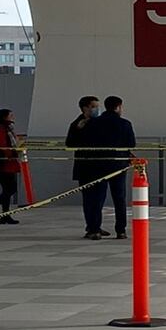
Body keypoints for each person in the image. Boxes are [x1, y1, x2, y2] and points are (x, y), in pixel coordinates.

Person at [81, 96, 136, 240]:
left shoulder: (94, 123)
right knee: (119, 199)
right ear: (118, 107)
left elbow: (87, 142)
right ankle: (121, 230)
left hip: (98, 165)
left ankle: (94, 229)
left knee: (97, 199)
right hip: (119, 165)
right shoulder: (125, 124)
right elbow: (131, 143)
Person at [67, 96, 108, 237]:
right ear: (85, 108)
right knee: (89, 199)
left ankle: (95, 225)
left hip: (101, 166)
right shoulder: (76, 124)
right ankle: (92, 227)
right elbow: (70, 143)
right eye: (94, 106)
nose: (97, 109)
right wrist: (79, 130)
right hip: (85, 167)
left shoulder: (101, 123)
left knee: (100, 198)